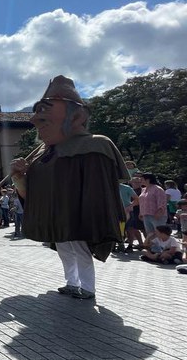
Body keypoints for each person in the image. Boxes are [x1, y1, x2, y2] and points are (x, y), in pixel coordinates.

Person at [11, 75, 127, 300]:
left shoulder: (96, 145)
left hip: (78, 217)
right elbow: (32, 195)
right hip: (57, 218)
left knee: (81, 250)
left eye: (45, 110)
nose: (35, 119)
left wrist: (90, 217)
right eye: (37, 112)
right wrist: (19, 176)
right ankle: (71, 283)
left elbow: (100, 192)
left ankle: (88, 288)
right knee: (65, 250)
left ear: (77, 116)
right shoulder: (44, 154)